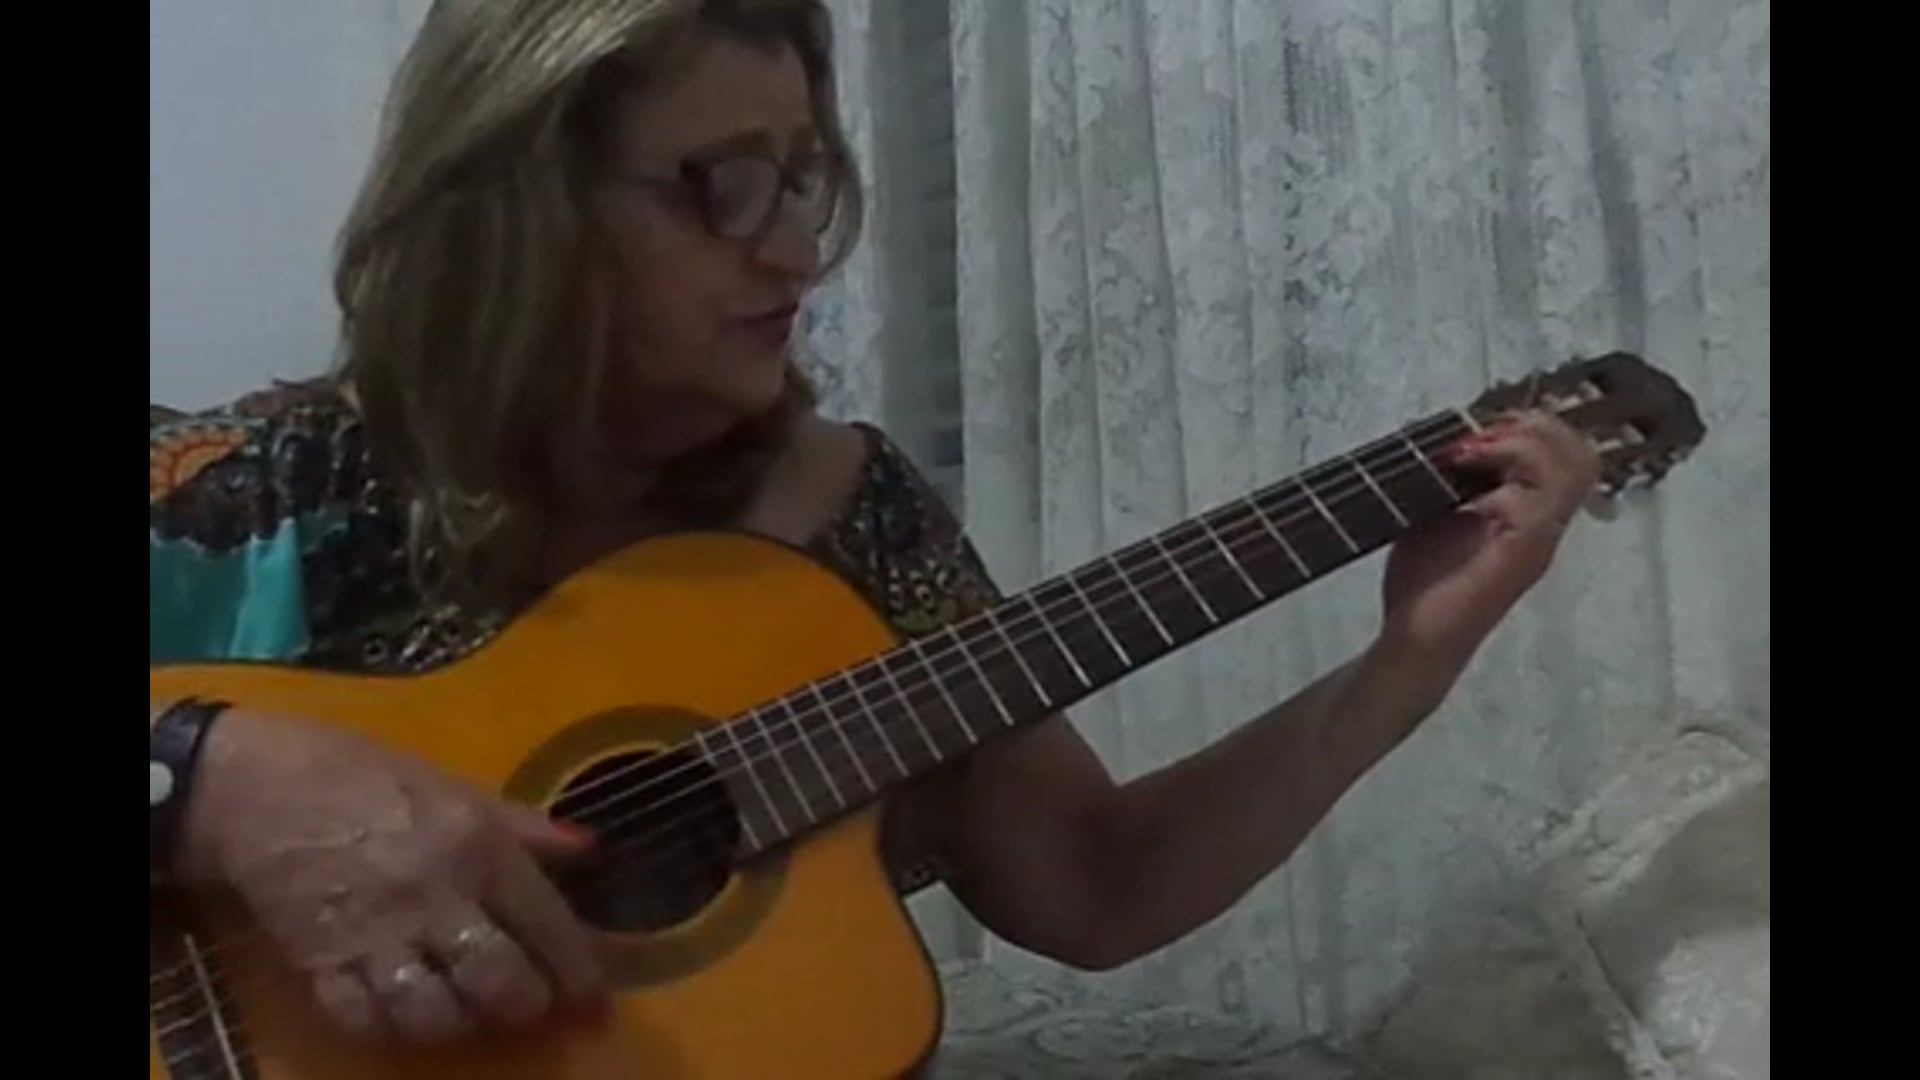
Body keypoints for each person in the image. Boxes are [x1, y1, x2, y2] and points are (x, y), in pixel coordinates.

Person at [148, 0, 1599, 1050]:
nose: (794, 247)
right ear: (517, 209)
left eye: (800, 176)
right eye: (721, 186)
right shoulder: (245, 494)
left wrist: (1402, 667)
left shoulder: (854, 516)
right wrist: (213, 783)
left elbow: (1092, 885)